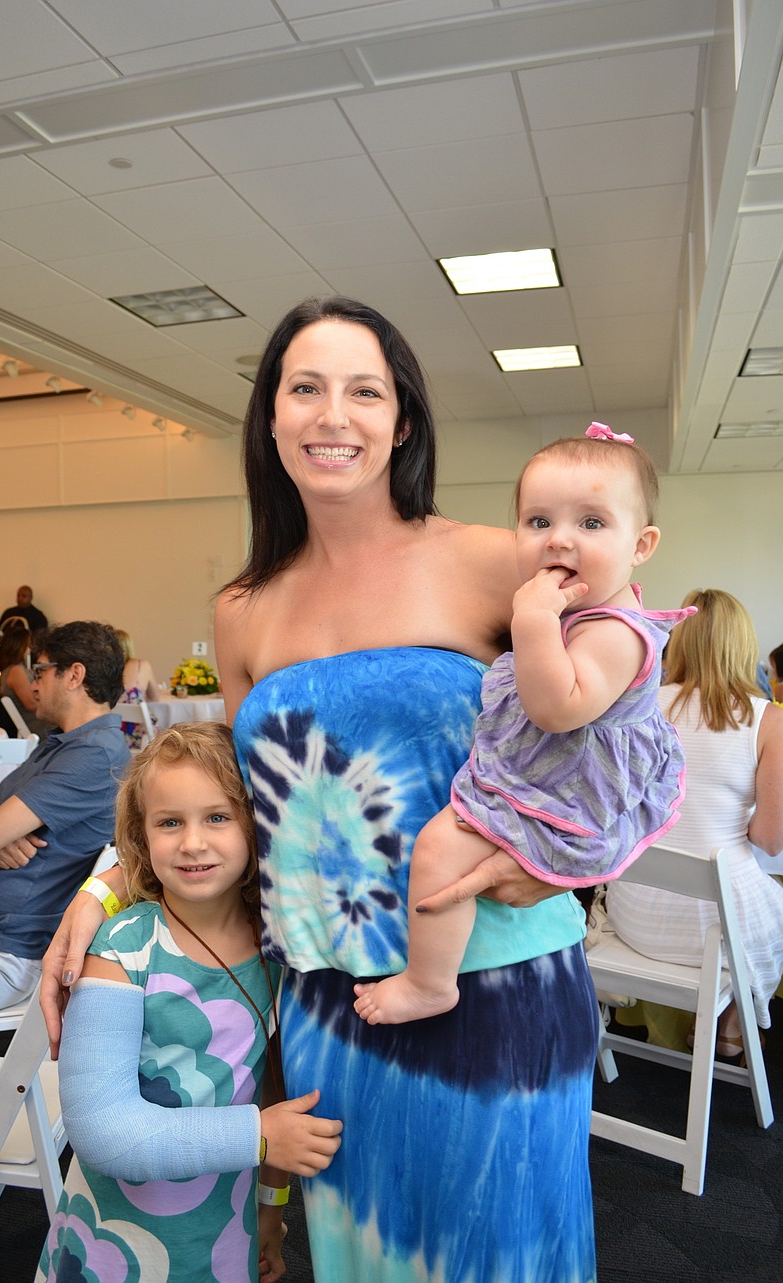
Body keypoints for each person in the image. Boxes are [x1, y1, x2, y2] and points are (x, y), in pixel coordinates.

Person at [41, 297, 601, 1283]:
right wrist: (104, 885)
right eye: (305, 388)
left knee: (497, 1252)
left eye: (364, 391)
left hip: (495, 984)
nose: (332, 414)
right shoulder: (243, 608)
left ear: (404, 420)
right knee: (359, 1255)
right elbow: (237, 803)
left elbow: (618, 740)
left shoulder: (493, 560)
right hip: (330, 1005)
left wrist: (570, 857)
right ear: (271, 417)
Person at [354, 423, 692, 1025]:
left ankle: (429, 983)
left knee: (437, 849)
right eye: (539, 521)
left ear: (641, 545)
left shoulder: (617, 632)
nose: (559, 539)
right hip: (545, 776)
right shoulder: (581, 614)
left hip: (566, 792)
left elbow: (556, 708)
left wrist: (532, 622)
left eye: (592, 523)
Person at [37, 722, 341, 1283]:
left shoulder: (278, 947)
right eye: (169, 822)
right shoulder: (121, 948)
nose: (192, 842)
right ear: (141, 835)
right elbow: (103, 1131)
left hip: (225, 1236)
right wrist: (258, 1136)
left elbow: (272, 1085)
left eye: (218, 817)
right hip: (111, 1248)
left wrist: (271, 1208)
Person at [607, 589, 783, 1054]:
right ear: (742, 646)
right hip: (717, 931)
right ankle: (729, 1028)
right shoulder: (768, 722)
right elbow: (770, 840)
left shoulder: (637, 704)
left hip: (634, 911)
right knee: (771, 908)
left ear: (678, 641)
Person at [0, 621, 129, 1023]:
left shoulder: (93, 755)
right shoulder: (65, 742)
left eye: (40, 671)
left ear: (74, 675)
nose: (33, 684)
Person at [0, 620, 51, 740]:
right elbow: (31, 705)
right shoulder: (16, 670)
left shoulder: (14, 669)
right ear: (20, 646)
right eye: (28, 645)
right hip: (35, 725)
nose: (30, 649)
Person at [114, 628, 161, 751]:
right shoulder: (141, 665)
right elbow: (155, 697)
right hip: (141, 737)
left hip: (113, 736)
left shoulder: (102, 672)